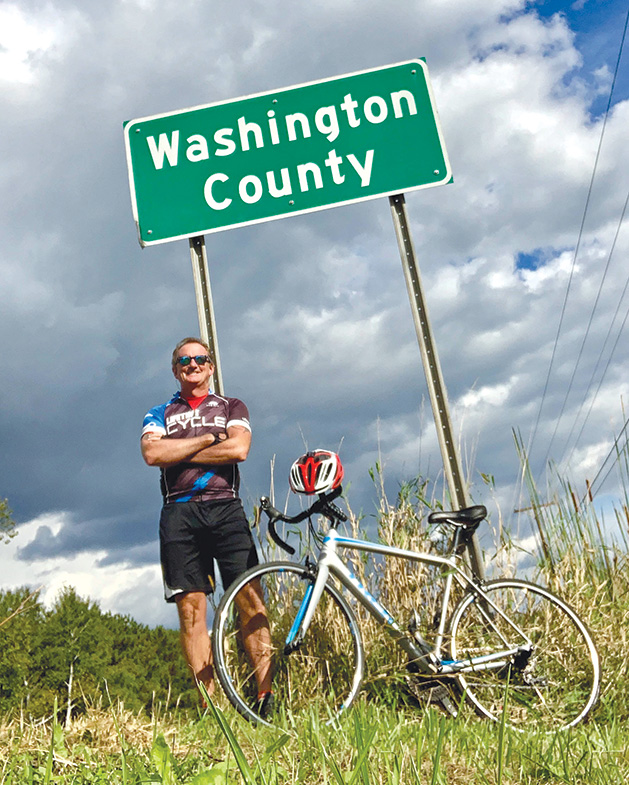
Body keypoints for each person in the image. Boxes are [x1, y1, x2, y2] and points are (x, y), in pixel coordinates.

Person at [141, 337, 272, 708]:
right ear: (175, 369)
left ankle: (265, 695)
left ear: (211, 366)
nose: (193, 364)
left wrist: (180, 451)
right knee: (191, 609)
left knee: (250, 599)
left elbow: (239, 449)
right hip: (178, 512)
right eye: (185, 360)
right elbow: (153, 453)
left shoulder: (232, 405)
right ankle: (208, 706)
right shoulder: (158, 412)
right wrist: (210, 437)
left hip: (225, 507)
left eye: (200, 359)